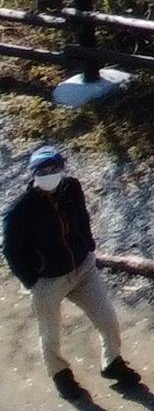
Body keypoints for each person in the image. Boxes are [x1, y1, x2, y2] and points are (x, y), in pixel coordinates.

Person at [4, 147, 132, 395]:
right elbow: (11, 250)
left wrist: (89, 246)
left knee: (108, 320)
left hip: (83, 269)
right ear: (34, 174)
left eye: (54, 169)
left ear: (62, 169)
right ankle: (60, 375)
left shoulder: (72, 188)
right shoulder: (20, 211)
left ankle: (113, 363)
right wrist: (32, 280)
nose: (49, 174)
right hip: (48, 281)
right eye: (43, 170)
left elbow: (82, 218)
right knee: (50, 334)